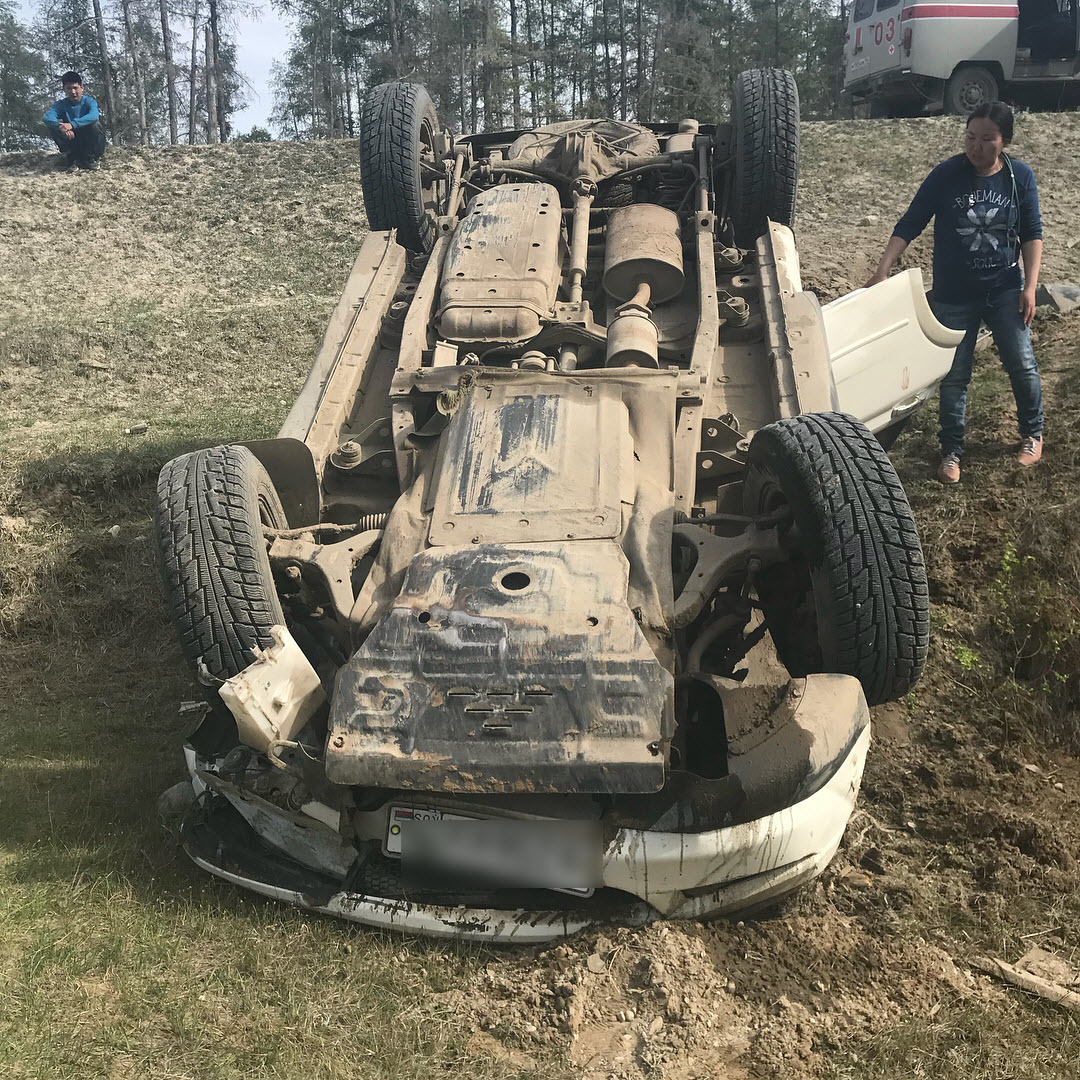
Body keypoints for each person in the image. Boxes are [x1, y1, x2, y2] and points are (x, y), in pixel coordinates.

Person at [866, 102, 1044, 484]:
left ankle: (1032, 434)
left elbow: (1032, 233)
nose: (976, 147)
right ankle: (951, 452)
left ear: (1005, 141)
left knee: (1021, 363)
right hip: (954, 295)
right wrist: (883, 268)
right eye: (970, 137)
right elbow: (911, 221)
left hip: (1005, 289)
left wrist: (1030, 287)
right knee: (954, 375)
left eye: (987, 139)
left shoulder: (1020, 177)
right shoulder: (946, 175)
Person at [43, 71, 106, 172]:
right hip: (72, 141)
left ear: (82, 88)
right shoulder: (61, 104)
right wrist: (62, 127)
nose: (73, 92)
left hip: (91, 143)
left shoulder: (89, 101)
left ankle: (89, 159)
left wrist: (72, 125)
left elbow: (94, 116)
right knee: (53, 126)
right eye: (69, 88)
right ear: (64, 90)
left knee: (95, 125)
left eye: (75, 88)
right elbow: (47, 118)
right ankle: (71, 158)